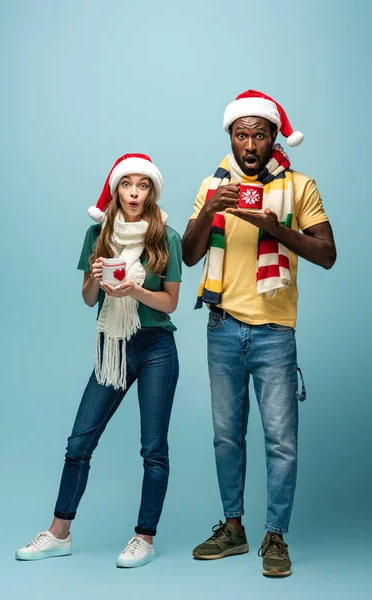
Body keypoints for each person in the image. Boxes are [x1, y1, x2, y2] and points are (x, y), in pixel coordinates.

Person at [182, 90, 336, 577]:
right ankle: (233, 528)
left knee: (280, 441)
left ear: (273, 138)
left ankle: (275, 536)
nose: (250, 144)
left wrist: (276, 228)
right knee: (226, 437)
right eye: (242, 135)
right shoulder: (213, 185)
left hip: (273, 332)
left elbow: (327, 253)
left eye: (260, 134)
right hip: (222, 327)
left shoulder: (300, 187)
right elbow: (188, 256)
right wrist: (210, 210)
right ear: (231, 136)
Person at [16, 153, 182, 568]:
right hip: (113, 348)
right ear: (116, 190)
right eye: (128, 185)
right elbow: (89, 298)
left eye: (143, 186)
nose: (134, 193)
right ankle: (59, 534)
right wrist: (94, 276)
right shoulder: (97, 234)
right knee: (79, 443)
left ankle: (144, 537)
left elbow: (171, 303)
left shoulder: (168, 237)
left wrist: (136, 292)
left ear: (152, 192)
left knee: (153, 449)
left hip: (157, 346)